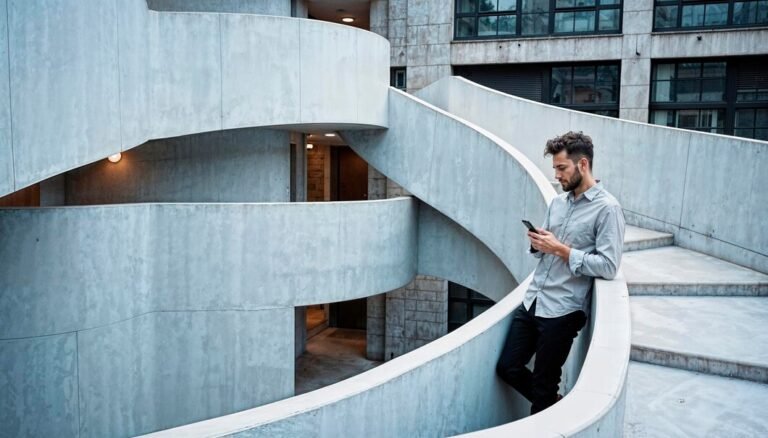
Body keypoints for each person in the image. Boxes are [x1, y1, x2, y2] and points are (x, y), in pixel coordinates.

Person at [496, 131, 625, 415]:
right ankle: (557, 407)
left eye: (561, 168)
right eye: (555, 168)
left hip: (563, 311)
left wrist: (562, 251)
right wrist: (539, 244)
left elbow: (608, 266)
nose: (557, 176)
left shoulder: (607, 209)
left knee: (544, 384)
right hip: (534, 300)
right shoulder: (557, 202)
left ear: (582, 165)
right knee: (507, 367)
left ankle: (547, 419)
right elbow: (546, 250)